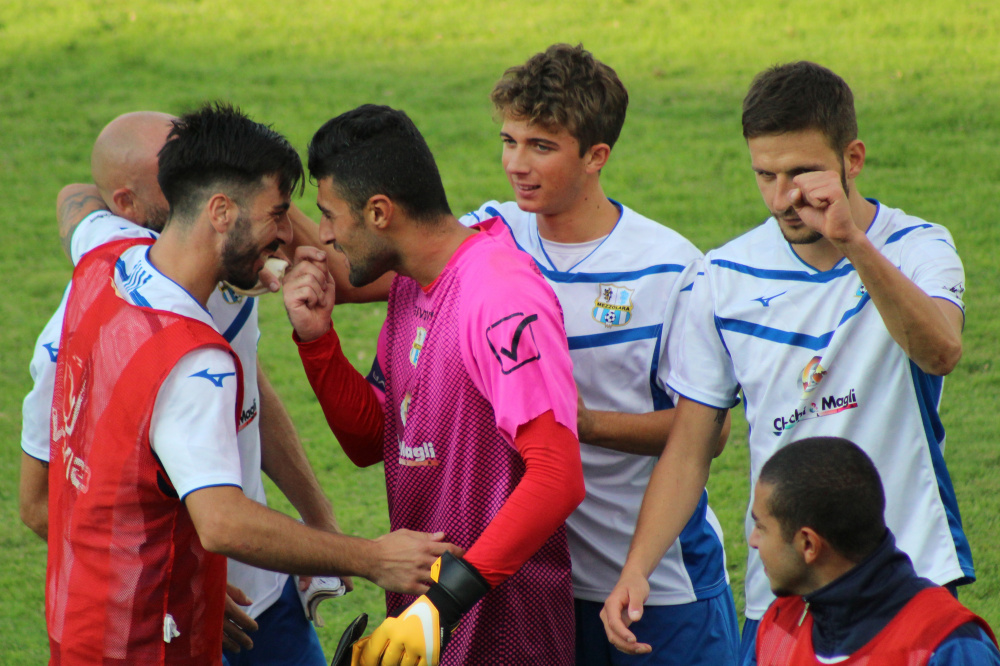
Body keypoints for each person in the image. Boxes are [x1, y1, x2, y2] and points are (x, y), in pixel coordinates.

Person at [46, 103, 458, 665]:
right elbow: (222, 522)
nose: (289, 236)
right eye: (278, 214)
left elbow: (78, 202)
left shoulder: (100, 262)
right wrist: (371, 557)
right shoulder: (193, 361)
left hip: (84, 626)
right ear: (220, 212)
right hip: (151, 638)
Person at [602, 60, 972, 665]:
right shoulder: (723, 277)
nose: (783, 199)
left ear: (853, 158)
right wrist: (637, 568)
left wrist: (855, 243)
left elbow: (941, 351)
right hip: (780, 594)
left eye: (801, 173)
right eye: (765, 175)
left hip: (910, 573)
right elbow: (692, 445)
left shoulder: (918, 247)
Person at [458, 44, 738, 665]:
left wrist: (582, 426)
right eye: (510, 141)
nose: (516, 165)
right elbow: (378, 258)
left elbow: (708, 435)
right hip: (543, 583)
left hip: (662, 589)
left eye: (541, 146)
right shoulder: (490, 237)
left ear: (596, 156)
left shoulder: (671, 270)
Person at [283, 104, 585, 666]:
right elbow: (372, 440)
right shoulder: (410, 288)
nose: (323, 235)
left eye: (329, 215)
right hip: (430, 628)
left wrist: (442, 604)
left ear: (379, 212)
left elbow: (557, 477)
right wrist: (318, 342)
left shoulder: (497, 295)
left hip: (504, 634)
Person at [750, 436, 998, 664]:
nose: (753, 540)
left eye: (761, 527)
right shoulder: (778, 626)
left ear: (808, 544)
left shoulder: (948, 646)